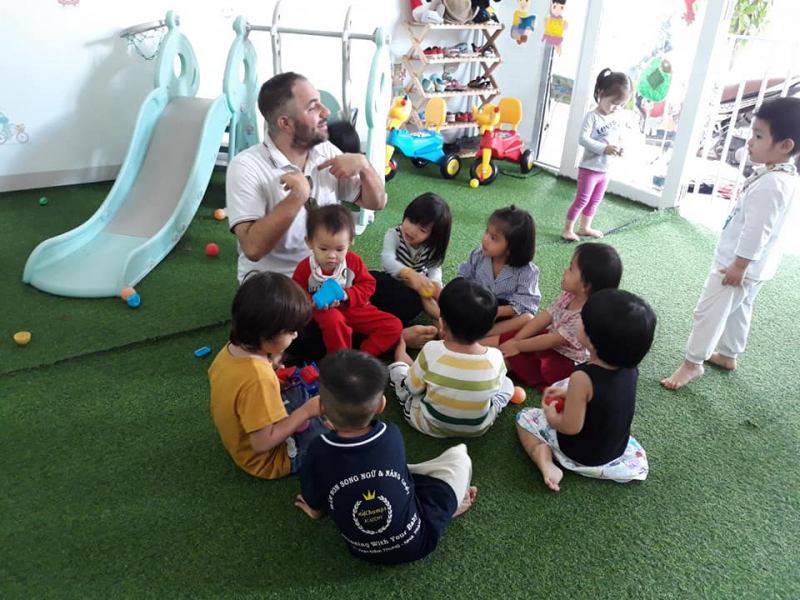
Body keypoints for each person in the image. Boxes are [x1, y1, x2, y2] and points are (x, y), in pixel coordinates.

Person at [225, 72, 435, 353]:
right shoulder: (246, 166)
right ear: (285, 123)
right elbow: (252, 248)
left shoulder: (323, 151)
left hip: (331, 273)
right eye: (313, 107)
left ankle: (362, 336)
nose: (326, 112)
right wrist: (296, 198)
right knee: (293, 336)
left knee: (404, 298)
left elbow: (376, 202)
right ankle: (391, 338)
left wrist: (364, 166)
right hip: (279, 288)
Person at [661, 97, 800, 390]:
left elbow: (756, 231)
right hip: (757, 268)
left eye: (759, 136)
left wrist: (739, 265)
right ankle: (728, 354)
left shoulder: (773, 184)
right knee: (740, 308)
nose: (749, 142)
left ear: (785, 146)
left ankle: (692, 363)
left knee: (709, 312)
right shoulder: (783, 176)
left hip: (737, 267)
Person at [294, 350, 477, 565]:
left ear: (321, 408)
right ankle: (447, 511)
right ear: (382, 404)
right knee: (459, 457)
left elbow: (313, 497)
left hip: (360, 549)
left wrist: (316, 510)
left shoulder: (318, 449)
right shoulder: (390, 434)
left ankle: (442, 509)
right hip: (419, 542)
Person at [516, 289, 656, 492]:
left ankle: (543, 458)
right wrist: (569, 395)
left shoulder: (582, 378)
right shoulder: (630, 368)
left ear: (592, 340)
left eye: (582, 320)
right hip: (615, 449)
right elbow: (606, 400)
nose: (578, 321)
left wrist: (552, 417)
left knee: (524, 418)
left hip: (581, 453)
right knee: (564, 388)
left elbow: (570, 427)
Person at [208, 272, 326, 479]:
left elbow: (240, 390)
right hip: (271, 458)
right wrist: (305, 412)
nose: (296, 334)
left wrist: (272, 371)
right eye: (291, 331)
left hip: (241, 438)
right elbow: (262, 443)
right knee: (331, 435)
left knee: (298, 389)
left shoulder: (229, 351)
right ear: (267, 335)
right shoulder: (258, 379)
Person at [388, 278, 516, 438]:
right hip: (477, 428)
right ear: (489, 328)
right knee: (507, 384)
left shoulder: (432, 350)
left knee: (399, 371)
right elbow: (494, 387)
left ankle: (401, 360)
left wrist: (404, 364)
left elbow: (412, 388)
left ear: (441, 324)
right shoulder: (495, 357)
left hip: (428, 423)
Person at [491, 243, 622, 390]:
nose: (565, 270)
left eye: (571, 268)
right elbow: (545, 317)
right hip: (549, 339)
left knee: (518, 359)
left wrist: (517, 346)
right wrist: (516, 340)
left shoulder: (584, 316)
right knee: (512, 338)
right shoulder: (569, 295)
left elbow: (551, 341)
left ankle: (491, 366)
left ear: (586, 286)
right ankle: (479, 345)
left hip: (562, 359)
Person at [292, 204, 402, 357]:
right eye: (323, 249)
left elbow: (368, 285)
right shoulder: (305, 268)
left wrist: (346, 295)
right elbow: (297, 296)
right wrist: (313, 303)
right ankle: (341, 360)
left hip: (355, 308)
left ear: (350, 242)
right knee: (334, 321)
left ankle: (361, 357)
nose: (332, 255)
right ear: (309, 242)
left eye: (339, 249)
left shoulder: (353, 261)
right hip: (326, 312)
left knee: (393, 325)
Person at [561, 68, 631, 241]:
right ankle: (567, 229)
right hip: (589, 169)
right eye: (613, 103)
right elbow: (582, 139)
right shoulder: (592, 117)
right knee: (582, 200)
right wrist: (603, 148)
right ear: (601, 94)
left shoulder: (616, 117)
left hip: (605, 170)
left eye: (621, 105)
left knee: (595, 201)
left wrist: (620, 148)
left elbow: (618, 137)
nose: (616, 108)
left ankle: (585, 227)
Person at [458, 205, 541, 337]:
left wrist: (494, 311)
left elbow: (525, 305)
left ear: (512, 248)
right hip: (477, 305)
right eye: (487, 232)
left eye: (493, 238)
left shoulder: (527, 271)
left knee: (527, 319)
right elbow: (464, 278)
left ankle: (483, 335)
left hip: (504, 314)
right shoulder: (479, 254)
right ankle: (473, 334)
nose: (485, 239)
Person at [371, 192, 452, 323]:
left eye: (422, 230)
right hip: (393, 279)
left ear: (433, 236)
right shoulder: (394, 235)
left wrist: (435, 282)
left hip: (417, 286)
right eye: (411, 221)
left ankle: (445, 321)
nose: (412, 230)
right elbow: (387, 260)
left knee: (427, 299)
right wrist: (408, 273)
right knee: (371, 280)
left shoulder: (430, 245)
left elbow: (434, 266)